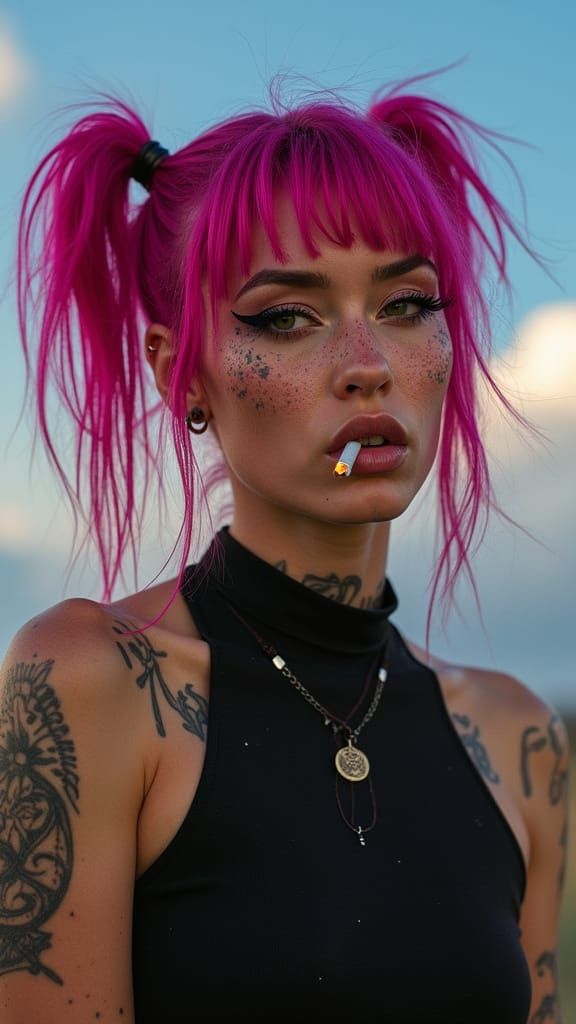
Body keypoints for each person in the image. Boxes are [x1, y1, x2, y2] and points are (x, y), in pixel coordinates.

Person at [1, 71, 570, 1023]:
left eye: (408, 303)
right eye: (286, 317)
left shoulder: (519, 741)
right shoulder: (92, 682)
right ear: (176, 370)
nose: (367, 367)